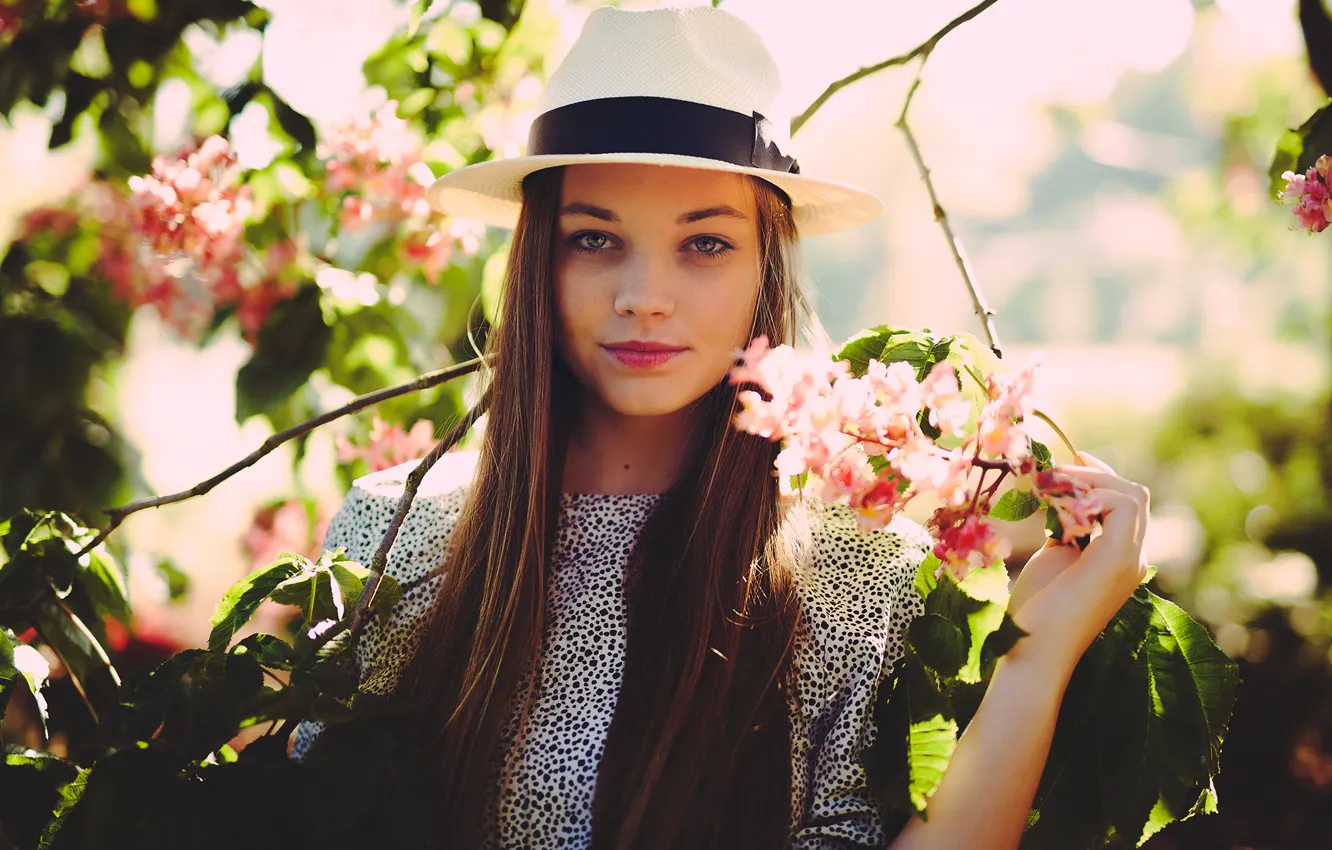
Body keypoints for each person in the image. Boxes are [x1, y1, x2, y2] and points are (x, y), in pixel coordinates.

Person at [291, 5, 1152, 849]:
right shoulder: (395, 531)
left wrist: (1036, 655)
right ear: (537, 262)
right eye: (594, 240)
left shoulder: (857, 569)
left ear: (764, 266)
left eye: (704, 245)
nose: (644, 295)